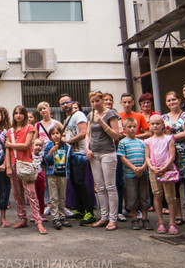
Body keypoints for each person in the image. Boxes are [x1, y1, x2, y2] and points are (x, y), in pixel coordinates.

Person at [6, 105, 46, 234]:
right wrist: (7, 166)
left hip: (26, 164)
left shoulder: (29, 128)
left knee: (31, 194)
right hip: (13, 163)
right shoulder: (10, 130)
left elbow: (26, 145)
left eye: (21, 113)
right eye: (16, 113)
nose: (18, 115)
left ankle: (38, 221)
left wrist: (11, 144)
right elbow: (7, 151)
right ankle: (22, 218)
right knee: (17, 194)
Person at [162, 90, 185, 226]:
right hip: (170, 155)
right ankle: (178, 215)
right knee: (174, 185)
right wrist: (179, 136)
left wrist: (169, 137)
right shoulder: (163, 118)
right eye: (169, 100)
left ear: (179, 100)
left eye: (174, 99)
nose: (172, 102)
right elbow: (160, 134)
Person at [85, 91, 121, 230]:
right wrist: (87, 149)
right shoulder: (90, 114)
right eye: (92, 102)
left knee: (110, 186)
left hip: (108, 153)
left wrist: (101, 122)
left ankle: (113, 219)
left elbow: (116, 135)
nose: (95, 104)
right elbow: (88, 134)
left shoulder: (111, 114)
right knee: (99, 187)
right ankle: (104, 217)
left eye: (97, 101)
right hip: (94, 154)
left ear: (102, 100)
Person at [60, 94, 94, 225]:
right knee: (74, 183)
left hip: (79, 154)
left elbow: (84, 132)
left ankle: (89, 212)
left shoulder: (79, 115)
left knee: (81, 183)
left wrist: (68, 141)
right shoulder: (67, 119)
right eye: (62, 104)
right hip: (71, 155)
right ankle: (80, 210)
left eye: (67, 102)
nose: (65, 105)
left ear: (72, 102)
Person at [145, 115, 178, 234]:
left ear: (162, 125)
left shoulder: (169, 139)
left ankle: (172, 222)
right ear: (149, 126)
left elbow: (172, 155)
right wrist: (152, 168)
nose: (155, 126)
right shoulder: (148, 141)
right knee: (157, 195)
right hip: (154, 171)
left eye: (158, 123)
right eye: (153, 124)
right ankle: (160, 222)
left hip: (167, 170)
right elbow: (147, 157)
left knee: (170, 197)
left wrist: (164, 168)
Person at [117, 117, 152, 231]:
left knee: (144, 195)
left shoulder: (142, 142)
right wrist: (134, 168)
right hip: (130, 174)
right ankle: (134, 218)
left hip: (144, 173)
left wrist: (142, 168)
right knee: (132, 196)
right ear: (124, 129)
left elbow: (147, 157)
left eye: (134, 127)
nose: (132, 129)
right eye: (129, 127)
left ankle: (145, 218)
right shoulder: (123, 142)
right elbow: (122, 157)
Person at [43, 125, 71, 230]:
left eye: (57, 133)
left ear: (61, 134)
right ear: (50, 136)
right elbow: (46, 160)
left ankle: (62, 216)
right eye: (53, 134)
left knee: (62, 196)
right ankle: (55, 218)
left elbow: (70, 158)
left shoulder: (66, 146)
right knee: (53, 197)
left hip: (62, 173)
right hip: (52, 174)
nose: (55, 136)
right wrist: (51, 152)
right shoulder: (48, 146)